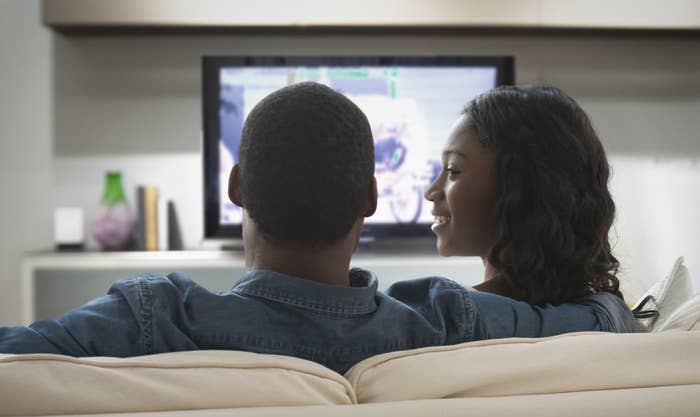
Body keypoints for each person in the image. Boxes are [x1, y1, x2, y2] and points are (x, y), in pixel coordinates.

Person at [0, 83, 635, 374]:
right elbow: (598, 320)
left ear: (237, 187)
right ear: (369, 197)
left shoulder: (153, 317)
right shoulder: (450, 321)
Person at [422, 84, 636, 334]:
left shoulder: (444, 319)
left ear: (521, 189)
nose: (431, 191)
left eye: (453, 170)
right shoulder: (609, 316)